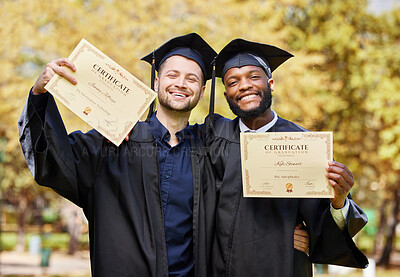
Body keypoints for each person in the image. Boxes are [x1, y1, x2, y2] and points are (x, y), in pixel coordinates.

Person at [18, 33, 218, 277]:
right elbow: (55, 161)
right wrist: (40, 95)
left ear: (202, 90)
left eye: (191, 78)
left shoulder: (211, 152)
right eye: (172, 75)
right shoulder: (113, 140)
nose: (181, 84)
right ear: (156, 82)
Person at [203, 38, 369, 276]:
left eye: (253, 76)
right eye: (233, 81)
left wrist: (339, 200)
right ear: (226, 93)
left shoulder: (305, 144)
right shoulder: (213, 138)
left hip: (282, 267)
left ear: (270, 83)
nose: (243, 86)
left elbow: (322, 228)